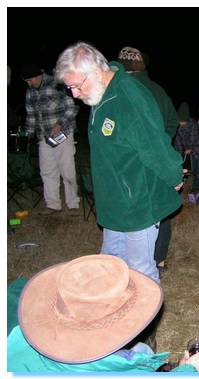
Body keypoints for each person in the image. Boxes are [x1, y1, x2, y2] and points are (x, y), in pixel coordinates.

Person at [54, 42, 184, 283]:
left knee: (140, 271)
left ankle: (146, 319)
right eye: (70, 87)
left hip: (137, 202)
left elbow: (154, 143)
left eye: (75, 85)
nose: (73, 94)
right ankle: (117, 314)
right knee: (111, 262)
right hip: (113, 201)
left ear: (94, 72)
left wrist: (174, 176)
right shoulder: (101, 93)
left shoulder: (128, 97)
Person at [7, 254, 199, 373]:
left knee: (142, 349)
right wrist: (187, 370)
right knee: (144, 352)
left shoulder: (17, 337)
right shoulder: (115, 369)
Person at [118, 46, 179, 274]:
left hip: (134, 162)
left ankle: (147, 259)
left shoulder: (127, 90)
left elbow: (170, 121)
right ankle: (157, 258)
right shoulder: (156, 89)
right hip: (154, 159)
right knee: (159, 205)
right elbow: (172, 122)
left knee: (144, 205)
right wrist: (163, 144)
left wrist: (158, 144)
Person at [20, 62, 80, 214]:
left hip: (63, 135)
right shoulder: (30, 91)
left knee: (67, 170)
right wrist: (27, 134)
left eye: (30, 80)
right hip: (43, 137)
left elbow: (72, 107)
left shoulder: (57, 84)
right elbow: (31, 116)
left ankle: (73, 203)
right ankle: (53, 204)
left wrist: (60, 123)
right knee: (47, 171)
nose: (28, 83)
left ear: (39, 75)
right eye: (26, 81)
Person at [174, 101, 199, 193]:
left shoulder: (193, 125)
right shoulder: (179, 127)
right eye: (179, 121)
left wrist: (190, 149)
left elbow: (196, 141)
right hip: (189, 152)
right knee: (192, 168)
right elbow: (177, 141)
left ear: (186, 119)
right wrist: (178, 155)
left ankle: (198, 187)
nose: (181, 124)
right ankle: (193, 185)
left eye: (182, 122)